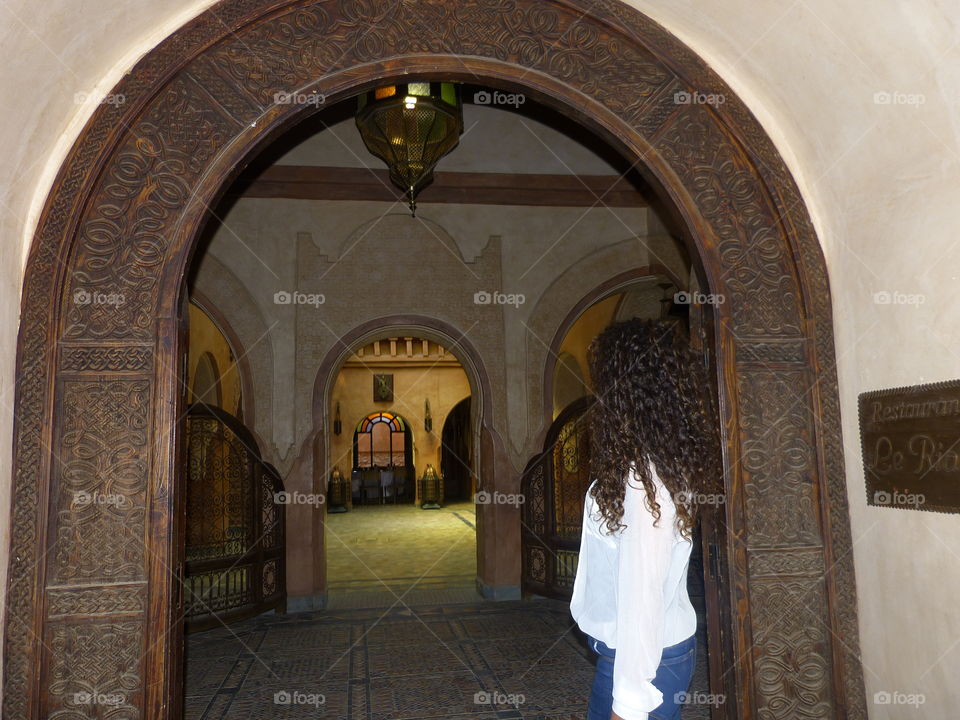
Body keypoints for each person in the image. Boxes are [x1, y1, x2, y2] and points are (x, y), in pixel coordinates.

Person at [570, 318, 720, 720]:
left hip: (643, 663)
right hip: (653, 654)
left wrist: (630, 703)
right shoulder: (660, 464)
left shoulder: (644, 478)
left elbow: (642, 593)